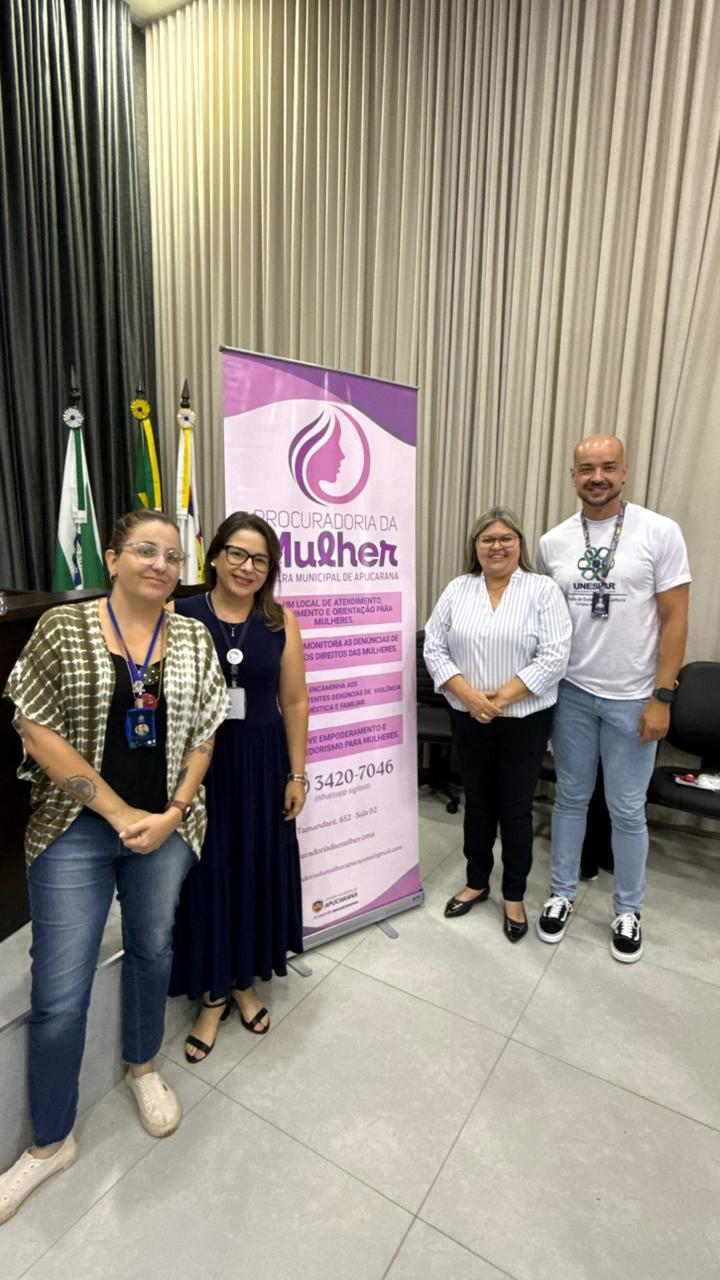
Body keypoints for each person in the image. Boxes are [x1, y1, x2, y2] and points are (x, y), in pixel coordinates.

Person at [0, 510, 228, 1225]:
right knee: (60, 988)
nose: (161, 564)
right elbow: (33, 725)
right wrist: (118, 810)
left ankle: (142, 1066)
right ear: (113, 556)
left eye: (173, 555)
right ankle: (50, 1141)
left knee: (152, 949)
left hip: (168, 825)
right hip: (75, 827)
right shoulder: (63, 627)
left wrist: (174, 810)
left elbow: (206, 732)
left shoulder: (191, 636)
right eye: (146, 551)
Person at [536, 435, 691, 963]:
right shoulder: (552, 542)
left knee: (626, 811)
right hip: (571, 694)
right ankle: (561, 894)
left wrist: (663, 696)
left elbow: (676, 619)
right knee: (570, 800)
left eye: (607, 467)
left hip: (633, 698)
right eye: (586, 468)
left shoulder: (660, 532)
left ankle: (628, 910)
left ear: (624, 472)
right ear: (573, 476)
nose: (597, 477)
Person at [169, 511, 308, 1060]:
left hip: (262, 763)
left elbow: (294, 700)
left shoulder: (280, 621)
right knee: (207, 875)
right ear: (214, 556)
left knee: (255, 868)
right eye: (237, 554)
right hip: (200, 767)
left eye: (260, 560)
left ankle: (245, 980)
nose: (247, 567)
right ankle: (213, 992)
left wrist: (296, 773)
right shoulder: (180, 613)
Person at [424, 507, 572, 941]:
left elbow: (555, 655)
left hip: (524, 720)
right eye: (487, 539)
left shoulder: (542, 590)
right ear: (475, 546)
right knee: (478, 803)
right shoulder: (458, 588)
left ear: (519, 544)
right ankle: (476, 881)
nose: (497, 546)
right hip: (468, 717)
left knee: (516, 809)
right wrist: (470, 698)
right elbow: (434, 647)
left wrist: (500, 699)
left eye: (506, 538)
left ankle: (513, 893)